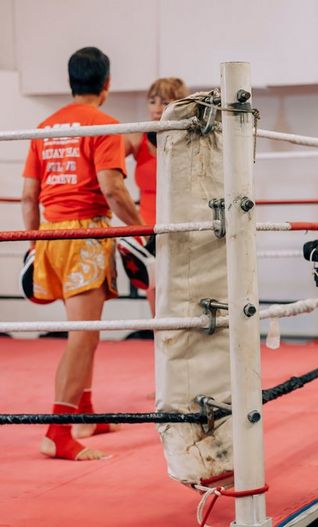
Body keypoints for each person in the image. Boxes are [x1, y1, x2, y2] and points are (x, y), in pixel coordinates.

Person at [21, 46, 144, 460]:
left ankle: (85, 414)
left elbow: (29, 196)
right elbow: (112, 189)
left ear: (70, 82)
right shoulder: (105, 124)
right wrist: (143, 230)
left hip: (50, 236)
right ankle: (57, 433)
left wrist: (34, 244)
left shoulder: (45, 127)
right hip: (85, 235)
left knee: (86, 333)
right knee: (82, 336)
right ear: (106, 84)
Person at [124, 77, 188, 315]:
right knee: (154, 291)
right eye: (152, 101)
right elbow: (105, 160)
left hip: (180, 221)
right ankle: (159, 335)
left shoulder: (190, 137)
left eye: (165, 102)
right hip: (147, 225)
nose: (157, 108)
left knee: (182, 289)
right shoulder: (136, 137)